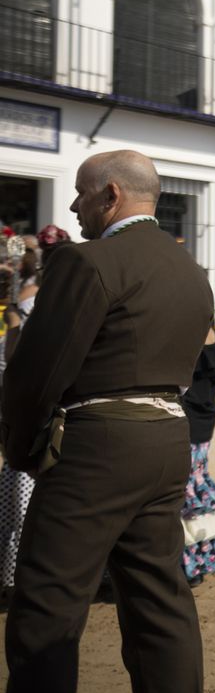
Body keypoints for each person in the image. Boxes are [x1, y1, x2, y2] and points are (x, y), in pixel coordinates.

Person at [0, 149, 212, 693]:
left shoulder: (87, 262)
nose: (72, 207)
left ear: (111, 195)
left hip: (98, 441)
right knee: (158, 599)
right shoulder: (190, 270)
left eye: (81, 195)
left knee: (45, 608)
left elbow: (37, 371)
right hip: (167, 438)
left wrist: (27, 451)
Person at [0, 227, 73, 608]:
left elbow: (20, 366)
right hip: (32, 422)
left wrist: (14, 329)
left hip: (52, 424)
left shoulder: (67, 306)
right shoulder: (32, 297)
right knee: (21, 507)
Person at [180, 325, 215, 583]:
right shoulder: (210, 334)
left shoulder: (186, 334)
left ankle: (186, 565)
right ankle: (197, 561)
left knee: (183, 495)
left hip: (186, 425)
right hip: (202, 424)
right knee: (193, 493)